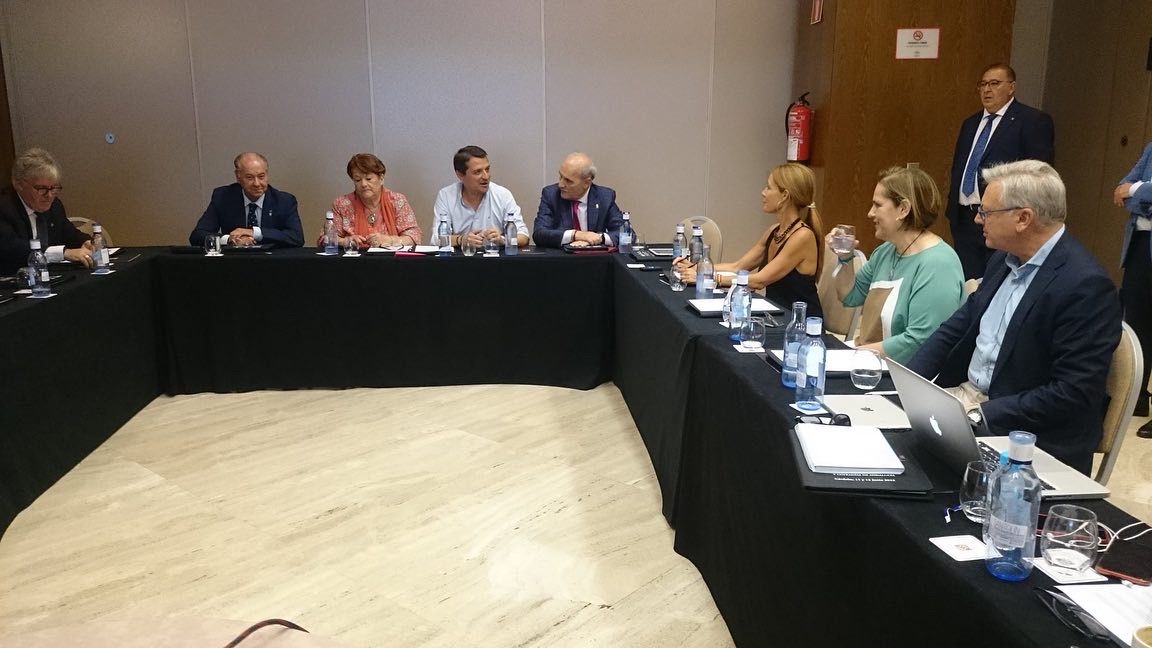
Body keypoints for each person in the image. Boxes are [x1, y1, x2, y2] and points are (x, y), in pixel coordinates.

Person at [908, 160, 1121, 475]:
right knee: (888, 437)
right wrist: (908, 382)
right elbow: (959, 326)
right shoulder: (1003, 260)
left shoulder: (1085, 286)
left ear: (1024, 218)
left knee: (911, 469)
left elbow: (1072, 391)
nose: (978, 219)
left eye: (987, 212)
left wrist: (981, 414)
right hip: (970, 402)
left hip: (1025, 434)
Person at [826, 166, 964, 364]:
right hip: (871, 363)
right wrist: (845, 258)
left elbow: (920, 342)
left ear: (903, 209)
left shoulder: (939, 264)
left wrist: (852, 356)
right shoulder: (886, 252)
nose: (870, 213)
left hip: (905, 376)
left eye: (877, 205)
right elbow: (849, 296)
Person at [946, 63, 1054, 280]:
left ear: (1011, 87)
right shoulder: (970, 123)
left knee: (995, 283)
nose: (987, 90)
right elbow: (960, 166)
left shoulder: (1032, 121)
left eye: (995, 83)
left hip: (1003, 219)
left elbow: (1039, 175)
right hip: (966, 220)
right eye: (983, 84)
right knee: (967, 285)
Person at [674, 162, 824, 318]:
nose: (763, 193)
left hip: (801, 326)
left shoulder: (802, 236)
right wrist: (697, 268)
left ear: (785, 196)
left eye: (768, 187)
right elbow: (738, 266)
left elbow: (759, 281)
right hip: (776, 317)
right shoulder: (774, 231)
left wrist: (709, 279)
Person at [0, 148, 93, 274]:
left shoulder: (54, 205)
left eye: (53, 188)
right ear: (18, 184)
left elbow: (69, 233)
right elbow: (12, 248)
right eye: (41, 188)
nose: (49, 195)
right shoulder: (5, 208)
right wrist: (63, 253)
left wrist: (86, 242)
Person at [1113, 140, 1152, 436]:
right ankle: (1138, 397)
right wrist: (1139, 191)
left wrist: (1138, 191)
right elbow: (1121, 188)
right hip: (1140, 245)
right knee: (1137, 322)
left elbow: (1132, 191)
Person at [189, 152, 304, 248]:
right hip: (233, 265)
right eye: (249, 177)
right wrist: (230, 239)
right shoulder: (223, 197)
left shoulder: (284, 201)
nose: (257, 183)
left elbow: (296, 237)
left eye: (261, 176)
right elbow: (197, 235)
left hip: (271, 265)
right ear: (238, 177)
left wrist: (254, 233)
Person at [431, 146, 528, 248]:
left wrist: (503, 240)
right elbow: (436, 239)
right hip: (460, 260)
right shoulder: (446, 195)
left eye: (487, 169)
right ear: (460, 175)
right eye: (477, 172)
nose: (486, 176)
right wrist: (461, 240)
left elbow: (524, 236)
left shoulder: (503, 195)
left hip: (495, 261)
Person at [320, 153, 421, 248]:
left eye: (368, 179)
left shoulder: (397, 201)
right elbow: (326, 239)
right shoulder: (342, 204)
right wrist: (346, 241)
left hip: (391, 263)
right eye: (358, 180)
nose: (363, 184)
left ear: (381, 178)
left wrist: (389, 240)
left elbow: (414, 237)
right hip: (353, 263)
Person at [532, 152, 624, 249]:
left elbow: (625, 233)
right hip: (562, 260)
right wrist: (577, 235)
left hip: (595, 260)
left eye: (568, 181)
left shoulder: (604, 197)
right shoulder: (551, 195)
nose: (561, 184)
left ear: (586, 183)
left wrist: (599, 238)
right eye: (560, 176)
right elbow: (539, 234)